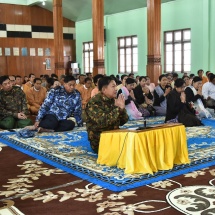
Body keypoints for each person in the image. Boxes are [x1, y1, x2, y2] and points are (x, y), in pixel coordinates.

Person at [85, 76, 129, 153]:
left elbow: (123, 121)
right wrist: (118, 109)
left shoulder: (113, 100)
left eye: (116, 86)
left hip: (114, 135)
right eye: (113, 86)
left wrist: (122, 109)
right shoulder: (94, 102)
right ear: (104, 89)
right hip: (100, 140)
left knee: (135, 144)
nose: (116, 89)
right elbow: (103, 122)